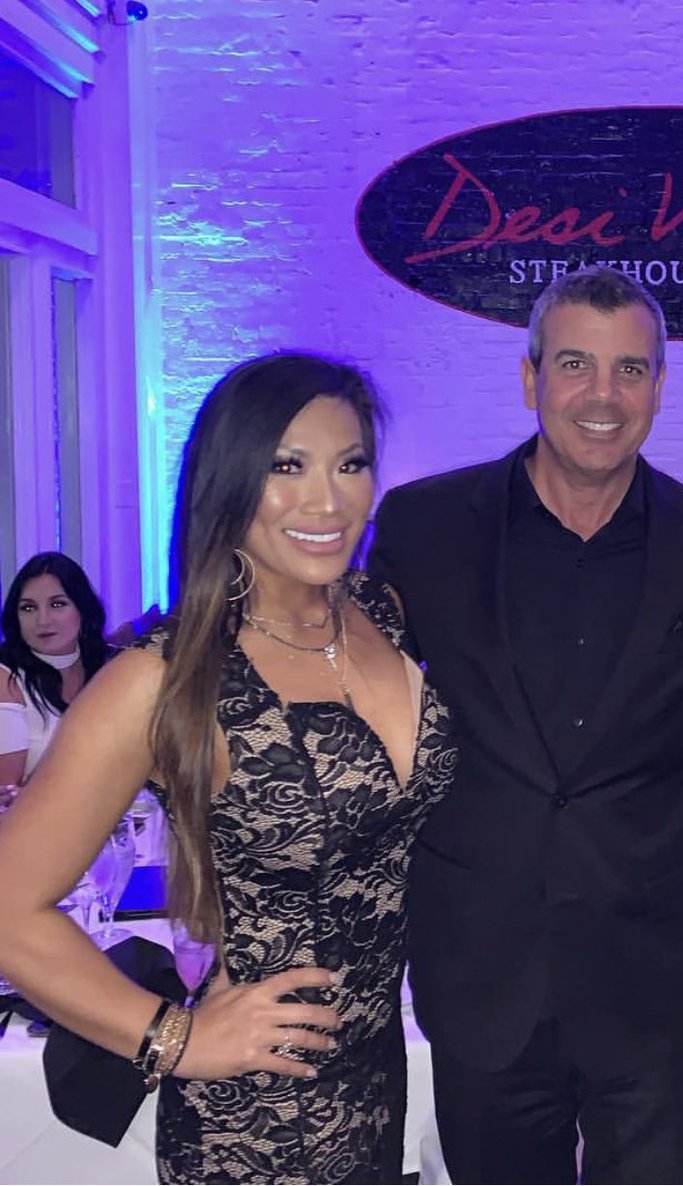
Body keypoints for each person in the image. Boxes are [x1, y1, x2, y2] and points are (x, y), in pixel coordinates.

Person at [0, 352, 456, 1184]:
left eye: (350, 464)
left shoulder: (379, 614)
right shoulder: (163, 675)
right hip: (254, 1123)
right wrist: (174, 1038)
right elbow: (7, 908)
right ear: (229, 480)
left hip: (373, 1087)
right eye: (287, 467)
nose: (327, 500)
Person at [369, 265, 683, 1184]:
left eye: (630, 369)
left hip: (656, 978)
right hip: (483, 969)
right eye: (575, 364)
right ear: (530, 377)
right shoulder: (423, 527)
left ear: (658, 386)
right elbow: (352, 710)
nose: (602, 395)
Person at [0, 551, 113, 787]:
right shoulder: (6, 677)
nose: (43, 620)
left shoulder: (113, 667)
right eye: (28, 608)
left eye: (57, 604)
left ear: (82, 609)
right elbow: (6, 790)